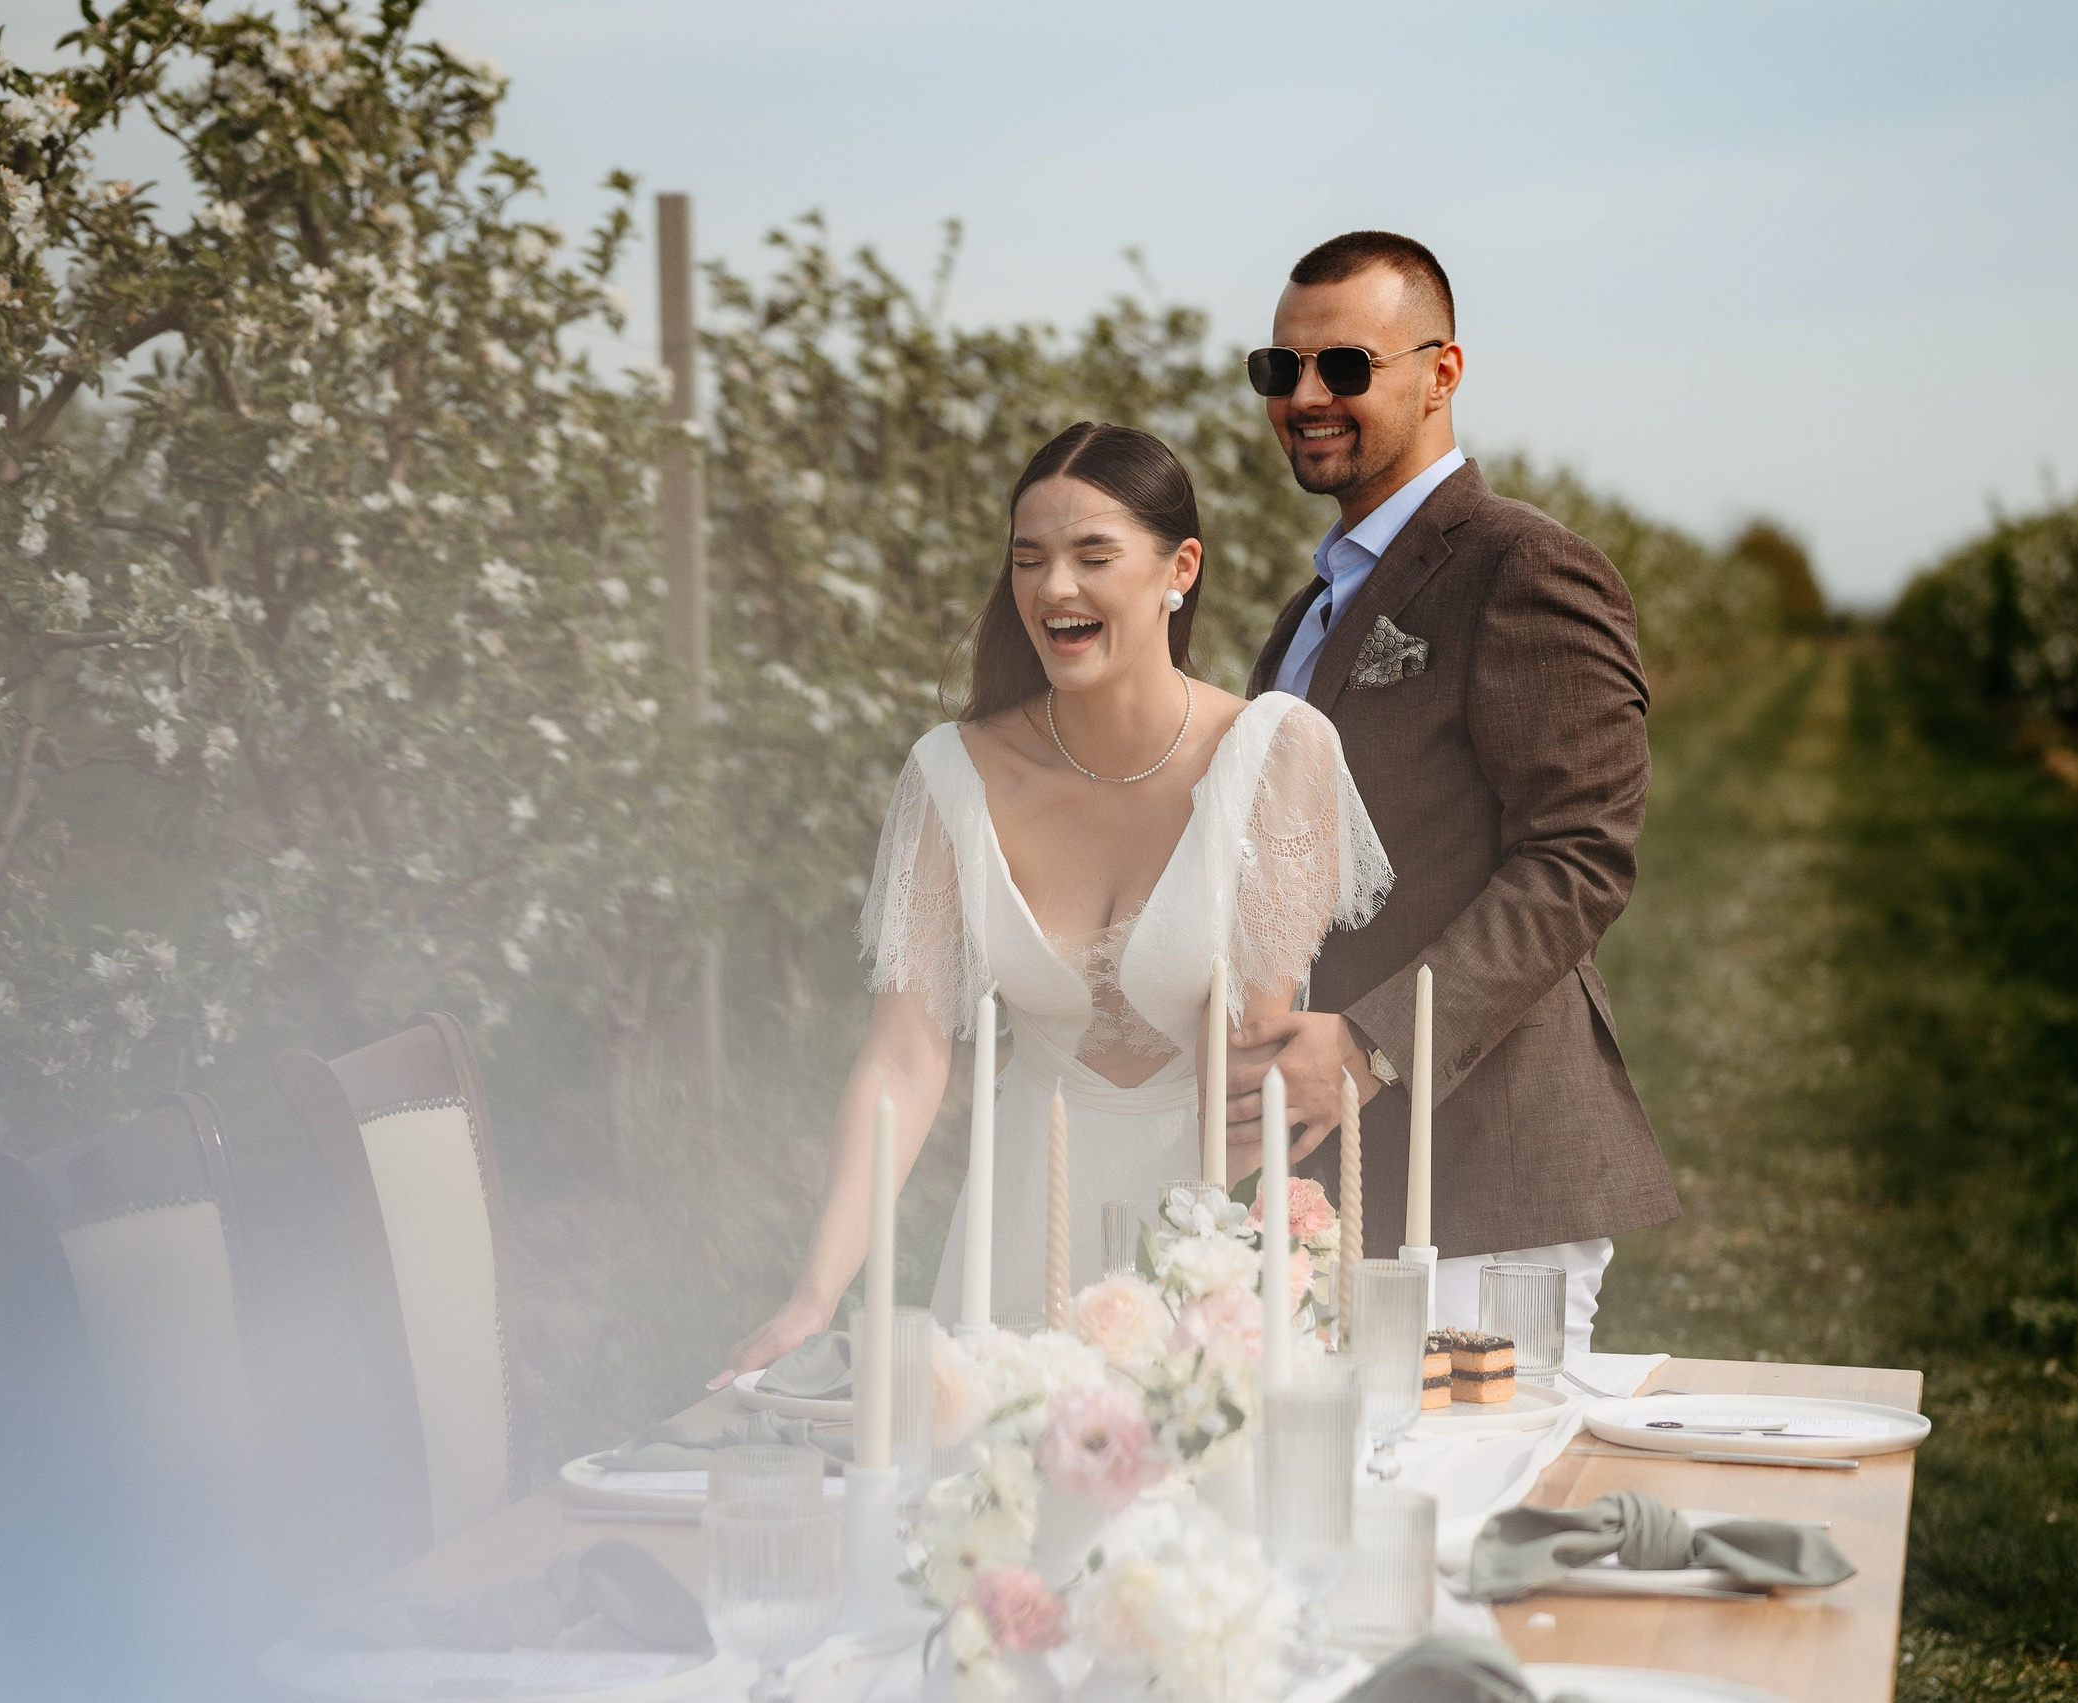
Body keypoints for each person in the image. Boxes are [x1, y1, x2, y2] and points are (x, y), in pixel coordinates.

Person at [718, 422, 1389, 1381]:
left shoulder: (1279, 754)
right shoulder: (950, 773)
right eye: (1028, 560)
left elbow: (1252, 1060)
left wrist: (1207, 1285)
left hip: (1200, 1235)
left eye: (1092, 556)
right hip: (1013, 1230)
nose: (1053, 589)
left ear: (1179, 568)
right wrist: (812, 1294)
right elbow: (903, 1057)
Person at [1227, 231, 1680, 1354]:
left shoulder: (1520, 567)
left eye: (1345, 366)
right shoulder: (1306, 612)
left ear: (1442, 372)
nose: (1306, 397)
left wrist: (1368, 1046)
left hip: (1486, 1171)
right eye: (1281, 371)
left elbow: (1578, 857)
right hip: (1329, 1177)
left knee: (1477, 1509)